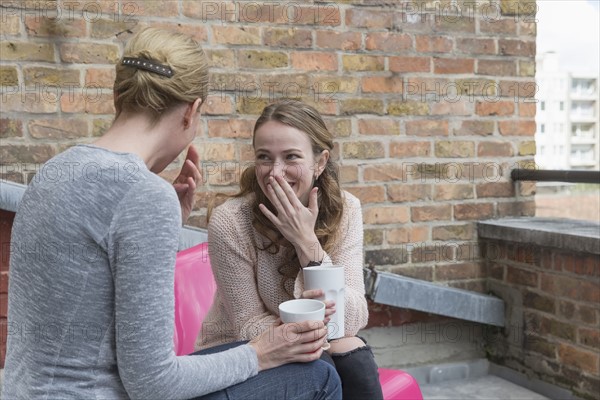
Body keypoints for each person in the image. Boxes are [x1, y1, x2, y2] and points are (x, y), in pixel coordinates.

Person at [2, 28, 341, 400]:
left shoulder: (54, 170)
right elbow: (154, 384)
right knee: (318, 376)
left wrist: (161, 228)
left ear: (119, 96)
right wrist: (260, 352)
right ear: (191, 112)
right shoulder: (144, 195)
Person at [197, 99, 384, 400]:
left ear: (320, 162)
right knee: (327, 361)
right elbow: (248, 326)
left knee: (354, 358)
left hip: (309, 342)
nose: (276, 173)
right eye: (264, 157)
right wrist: (321, 334)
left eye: (291, 157)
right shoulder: (231, 221)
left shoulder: (346, 210)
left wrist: (307, 244)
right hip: (237, 352)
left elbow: (353, 316)